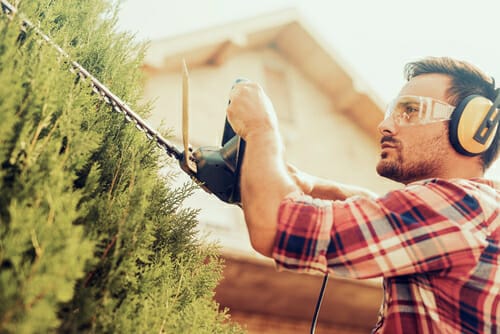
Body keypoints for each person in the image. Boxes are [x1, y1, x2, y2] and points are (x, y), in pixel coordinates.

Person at [226, 57, 499, 333]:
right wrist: (303, 183)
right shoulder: (476, 211)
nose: (386, 125)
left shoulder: (459, 205)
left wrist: (261, 127)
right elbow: (389, 214)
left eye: (411, 110)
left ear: (475, 129)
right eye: (393, 111)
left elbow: (274, 226)